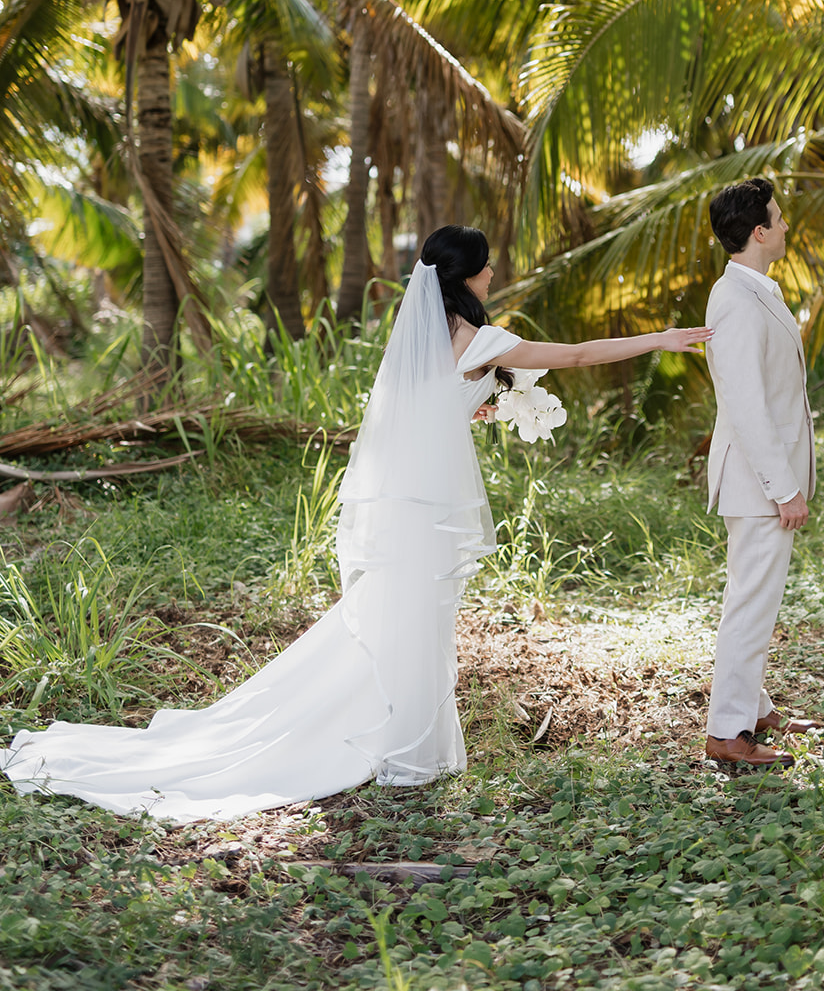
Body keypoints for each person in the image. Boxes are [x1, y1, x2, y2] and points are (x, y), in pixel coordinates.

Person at [0, 224, 710, 823]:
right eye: (491, 265)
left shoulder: (424, 343)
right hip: (427, 514)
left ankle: (413, 748)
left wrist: (481, 408)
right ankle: (410, 756)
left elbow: (424, 413)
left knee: (404, 626)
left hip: (404, 505)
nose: (496, 273)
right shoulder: (481, 339)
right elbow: (581, 355)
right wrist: (663, 336)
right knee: (420, 628)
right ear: (475, 275)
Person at [702, 179, 817, 773]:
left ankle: (754, 705)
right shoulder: (736, 301)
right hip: (757, 485)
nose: (787, 225)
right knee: (750, 603)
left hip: (760, 481)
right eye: (779, 217)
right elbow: (746, 405)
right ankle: (727, 731)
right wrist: (784, 488)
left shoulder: (755, 291)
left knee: (754, 599)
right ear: (758, 232)